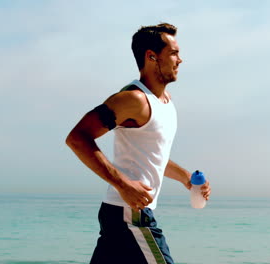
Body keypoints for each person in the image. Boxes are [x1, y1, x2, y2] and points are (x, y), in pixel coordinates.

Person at [66, 23, 211, 264]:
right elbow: (78, 138)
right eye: (173, 53)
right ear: (151, 57)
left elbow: (152, 156)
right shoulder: (133, 99)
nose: (180, 60)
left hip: (120, 214)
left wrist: (185, 177)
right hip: (130, 214)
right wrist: (122, 183)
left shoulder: (164, 102)